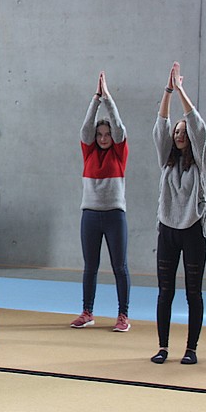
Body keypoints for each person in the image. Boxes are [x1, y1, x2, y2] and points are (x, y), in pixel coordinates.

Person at [150, 62, 206, 365]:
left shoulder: (203, 162)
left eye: (183, 131)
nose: (178, 133)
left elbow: (197, 125)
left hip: (192, 232)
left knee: (193, 293)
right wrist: (167, 91)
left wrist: (181, 91)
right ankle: (163, 347)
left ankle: (191, 349)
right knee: (165, 292)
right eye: (176, 131)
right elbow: (161, 124)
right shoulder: (167, 160)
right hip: (167, 230)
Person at [71, 71, 131, 332]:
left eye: (107, 134)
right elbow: (86, 128)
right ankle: (87, 311)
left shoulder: (119, 152)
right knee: (90, 266)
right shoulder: (89, 152)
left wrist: (108, 99)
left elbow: (119, 127)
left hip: (115, 215)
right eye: (100, 134)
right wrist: (95, 99)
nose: (104, 137)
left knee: (120, 266)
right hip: (91, 215)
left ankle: (123, 315)